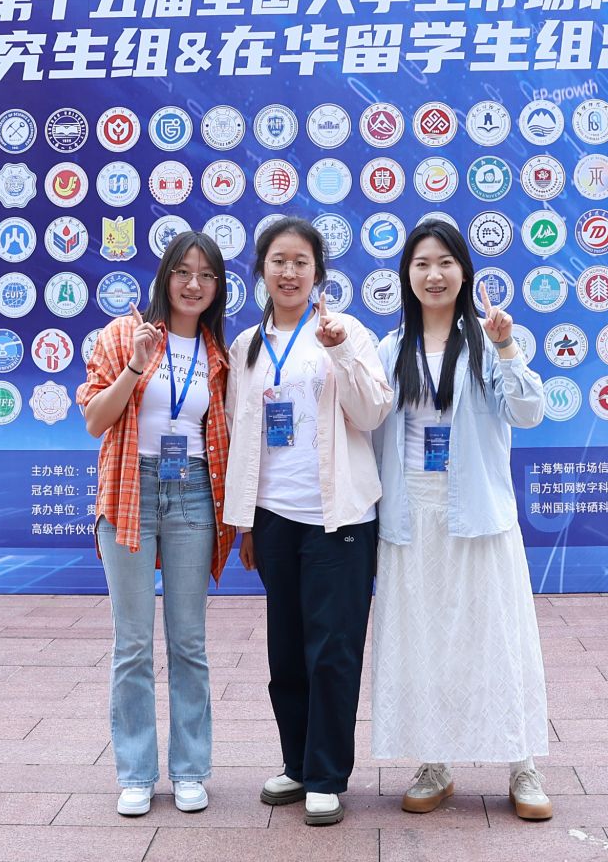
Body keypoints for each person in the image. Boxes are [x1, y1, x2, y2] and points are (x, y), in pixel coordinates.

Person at [369, 219, 553, 821]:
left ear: (464, 273)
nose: (434, 275)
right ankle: (434, 762)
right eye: (421, 264)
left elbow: (527, 412)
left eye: (445, 263)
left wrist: (507, 348)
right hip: (411, 515)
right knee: (422, 642)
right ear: (407, 275)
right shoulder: (389, 349)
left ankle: (522, 765)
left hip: (477, 511)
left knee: (497, 638)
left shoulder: (488, 341)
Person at [222, 218, 393, 827]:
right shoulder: (246, 345)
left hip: (337, 517)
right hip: (274, 519)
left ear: (318, 272)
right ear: (261, 270)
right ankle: (295, 764)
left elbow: (372, 412)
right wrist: (245, 523)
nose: (289, 272)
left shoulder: (346, 332)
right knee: (287, 652)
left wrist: (339, 349)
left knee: (333, 651)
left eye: (300, 262)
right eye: (278, 261)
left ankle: (325, 776)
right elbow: (242, 435)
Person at [76, 231, 234, 817]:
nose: (194, 285)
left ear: (218, 287)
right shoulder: (124, 335)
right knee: (133, 642)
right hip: (130, 490)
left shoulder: (217, 352)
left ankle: (190, 770)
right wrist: (135, 369)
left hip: (193, 490)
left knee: (189, 642)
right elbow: (95, 420)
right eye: (184, 272)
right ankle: (137, 773)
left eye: (207, 275)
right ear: (165, 275)